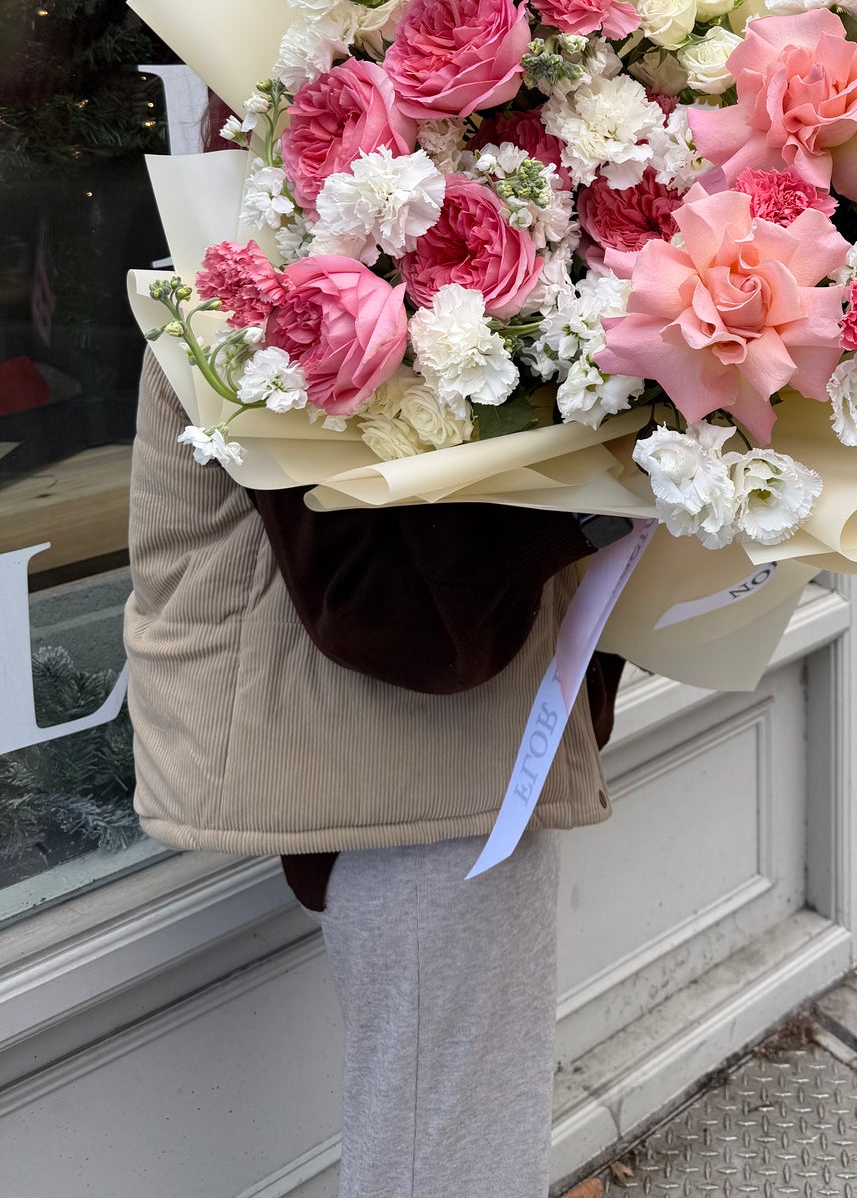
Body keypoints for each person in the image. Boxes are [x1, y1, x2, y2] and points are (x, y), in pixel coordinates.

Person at [125, 351, 625, 1197]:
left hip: (443, 771)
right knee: (447, 1159)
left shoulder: (275, 298)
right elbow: (392, 611)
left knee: (455, 1137)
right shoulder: (271, 304)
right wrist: (602, 491)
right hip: (415, 782)